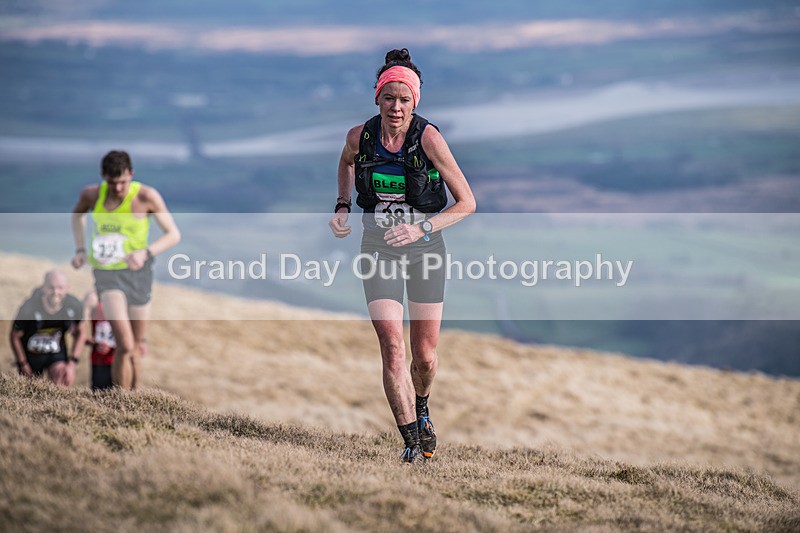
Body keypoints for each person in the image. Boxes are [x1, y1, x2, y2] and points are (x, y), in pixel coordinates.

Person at [329, 49, 476, 463]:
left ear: (416, 102)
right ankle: (411, 440)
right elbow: (344, 162)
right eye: (389, 98)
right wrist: (342, 205)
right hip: (377, 248)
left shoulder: (429, 139)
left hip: (425, 248)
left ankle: (423, 405)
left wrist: (421, 227)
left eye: (404, 99)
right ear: (377, 98)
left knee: (424, 357)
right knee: (392, 346)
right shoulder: (360, 136)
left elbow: (466, 203)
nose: (396, 107)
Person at [71, 150, 180, 390]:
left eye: (123, 182)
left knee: (136, 345)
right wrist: (80, 249)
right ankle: (122, 400)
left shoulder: (146, 196)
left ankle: (135, 395)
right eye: (112, 182)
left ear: (131, 174)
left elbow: (173, 234)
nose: (118, 188)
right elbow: (77, 215)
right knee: (125, 344)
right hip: (107, 275)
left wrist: (145, 252)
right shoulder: (91, 195)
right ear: (103, 177)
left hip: (139, 275)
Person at [10, 270, 84, 386]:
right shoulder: (29, 307)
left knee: (62, 380)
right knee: (29, 392)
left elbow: (81, 332)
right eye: (51, 287)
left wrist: (72, 363)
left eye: (60, 288)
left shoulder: (73, 305)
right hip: (31, 356)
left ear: (67, 288)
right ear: (43, 287)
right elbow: (14, 336)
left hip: (56, 355)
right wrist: (22, 363)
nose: (55, 292)